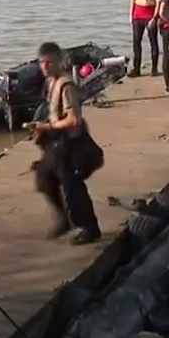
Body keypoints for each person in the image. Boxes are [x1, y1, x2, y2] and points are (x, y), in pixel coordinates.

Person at [31, 42, 104, 245]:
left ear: (58, 61)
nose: (45, 67)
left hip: (72, 144)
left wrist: (48, 127)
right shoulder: (49, 83)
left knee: (73, 187)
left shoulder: (66, 85)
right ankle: (64, 219)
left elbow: (73, 119)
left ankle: (90, 228)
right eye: (41, 62)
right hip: (56, 143)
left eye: (49, 62)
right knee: (44, 179)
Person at [129, 0, 161, 78]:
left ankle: (154, 68)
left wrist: (155, 17)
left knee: (153, 42)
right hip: (138, 14)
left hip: (150, 14)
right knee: (136, 42)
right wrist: (131, 14)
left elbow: (158, 1)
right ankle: (136, 69)